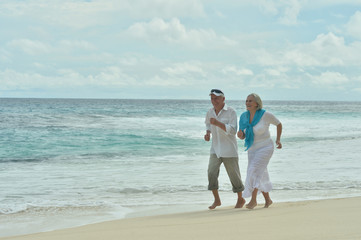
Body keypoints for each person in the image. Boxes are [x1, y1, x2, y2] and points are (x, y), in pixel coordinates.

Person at [237, 93, 282, 209]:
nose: (247, 103)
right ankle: (268, 199)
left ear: (257, 103)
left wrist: (278, 140)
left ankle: (253, 200)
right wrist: (240, 135)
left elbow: (278, 124)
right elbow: (242, 135)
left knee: (253, 171)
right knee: (260, 173)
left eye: (250, 101)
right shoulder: (243, 117)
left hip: (266, 147)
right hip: (252, 149)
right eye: (246, 101)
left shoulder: (265, 115)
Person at [204, 89, 245, 209]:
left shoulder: (231, 111)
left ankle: (240, 199)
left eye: (216, 98)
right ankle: (217, 200)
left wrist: (217, 123)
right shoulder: (210, 111)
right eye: (212, 98)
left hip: (229, 150)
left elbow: (233, 131)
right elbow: (208, 124)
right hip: (215, 149)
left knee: (234, 176)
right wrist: (208, 133)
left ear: (223, 99)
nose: (214, 101)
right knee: (211, 173)